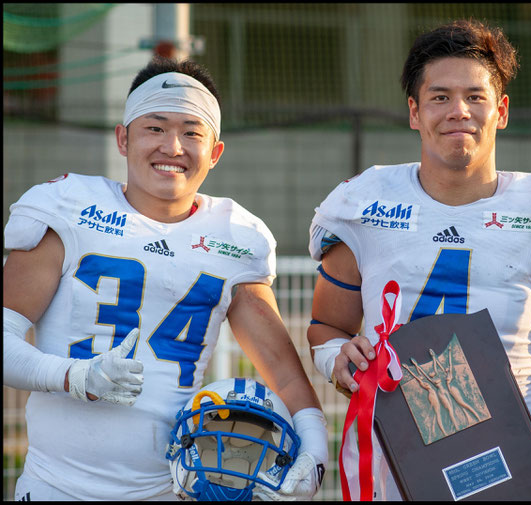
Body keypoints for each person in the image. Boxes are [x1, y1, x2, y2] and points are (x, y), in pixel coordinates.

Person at [3, 57, 328, 501]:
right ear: (123, 138)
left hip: (167, 490)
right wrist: (75, 376)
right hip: (53, 487)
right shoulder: (68, 209)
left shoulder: (236, 236)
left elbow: (286, 378)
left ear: (214, 152)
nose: (172, 147)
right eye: (154, 128)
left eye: (192, 132)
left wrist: (316, 450)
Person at [306, 19, 531, 501]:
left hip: (510, 469)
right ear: (414, 111)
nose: (458, 111)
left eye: (475, 96)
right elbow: (325, 328)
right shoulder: (366, 204)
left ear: (501, 110)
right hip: (392, 469)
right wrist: (338, 359)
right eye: (440, 97)